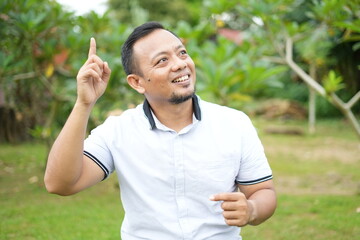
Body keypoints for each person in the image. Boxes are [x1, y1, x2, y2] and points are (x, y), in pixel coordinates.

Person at [44, 22, 277, 240]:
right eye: (162, 61)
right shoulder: (118, 131)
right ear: (137, 82)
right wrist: (83, 104)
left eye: (182, 53)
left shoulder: (234, 123)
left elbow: (263, 191)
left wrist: (252, 209)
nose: (179, 64)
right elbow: (59, 184)